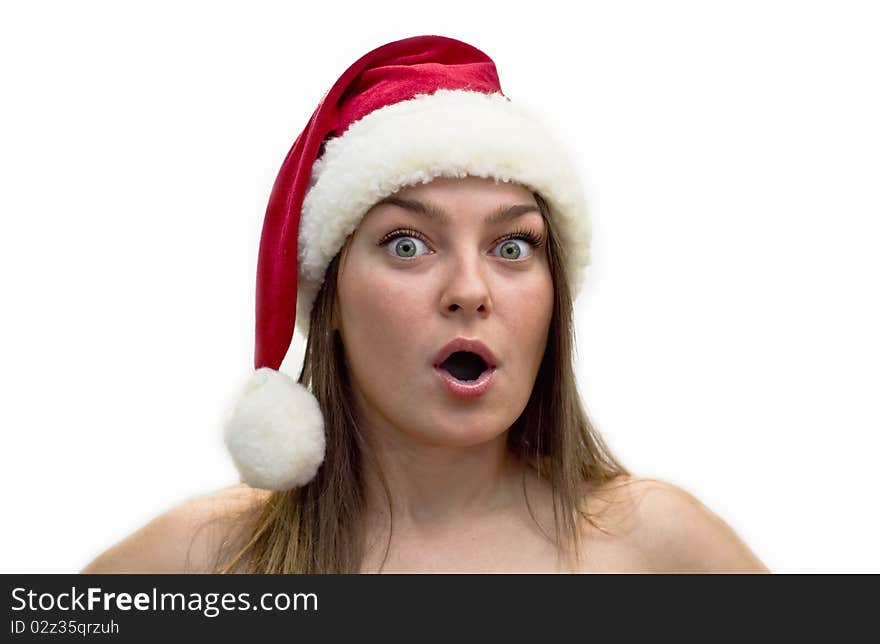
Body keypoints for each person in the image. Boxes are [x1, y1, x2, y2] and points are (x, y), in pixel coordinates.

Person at [82, 35, 769, 574]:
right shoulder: (203, 564)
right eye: (408, 245)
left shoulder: (661, 549)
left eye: (512, 248)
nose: (470, 291)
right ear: (333, 303)